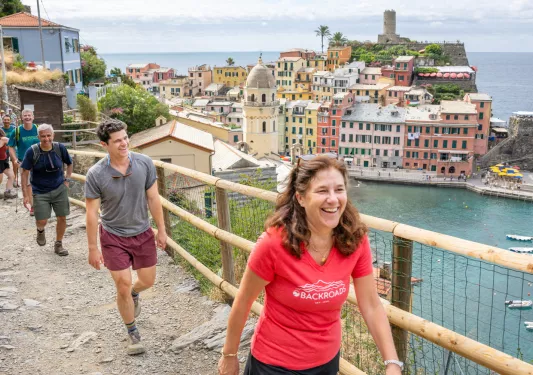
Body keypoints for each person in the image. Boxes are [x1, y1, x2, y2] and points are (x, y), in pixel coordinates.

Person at [218, 155, 402, 375]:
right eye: (322, 191)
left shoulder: (355, 241)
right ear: (301, 198)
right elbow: (243, 301)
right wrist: (229, 355)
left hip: (326, 363)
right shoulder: (274, 243)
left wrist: (392, 362)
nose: (333, 199)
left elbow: (371, 305)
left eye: (339, 190)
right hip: (273, 365)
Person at [85, 120, 167, 356]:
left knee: (147, 281)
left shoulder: (144, 163)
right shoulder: (96, 174)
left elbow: (153, 198)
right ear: (104, 144)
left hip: (142, 233)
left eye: (125, 137)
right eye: (118, 140)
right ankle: (132, 332)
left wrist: (161, 229)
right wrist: (93, 248)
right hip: (113, 235)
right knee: (122, 284)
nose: (124, 143)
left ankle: (134, 293)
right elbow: (91, 212)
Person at [21, 124, 73, 255]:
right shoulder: (32, 151)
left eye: (48, 135)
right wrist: (26, 194)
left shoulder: (59, 148)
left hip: (59, 188)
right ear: (38, 137)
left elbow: (69, 163)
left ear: (53, 135)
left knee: (62, 217)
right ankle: (40, 230)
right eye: (43, 136)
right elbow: (25, 172)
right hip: (39, 191)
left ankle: (58, 244)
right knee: (42, 220)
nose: (46, 139)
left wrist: (67, 179)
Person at [8, 109, 40, 215]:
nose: (27, 117)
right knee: (28, 184)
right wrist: (14, 159)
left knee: (39, 182)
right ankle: (33, 207)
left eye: (29, 115)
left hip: (38, 160)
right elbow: (11, 146)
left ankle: (41, 204)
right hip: (24, 162)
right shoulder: (16, 131)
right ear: (22, 118)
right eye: (25, 115)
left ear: (33, 117)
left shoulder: (38, 129)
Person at [0, 128, 17, 199]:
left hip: (3, 161)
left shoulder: (3, 139)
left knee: (11, 176)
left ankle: (7, 192)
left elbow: (13, 143)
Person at [2, 115, 17, 187]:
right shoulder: (0, 129)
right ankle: (9, 177)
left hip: (12, 148)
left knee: (15, 163)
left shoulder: (13, 128)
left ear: (10, 121)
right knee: (5, 164)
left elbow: (17, 138)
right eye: (5, 120)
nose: (6, 121)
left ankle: (14, 179)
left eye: (8, 120)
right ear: (2, 120)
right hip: (3, 150)